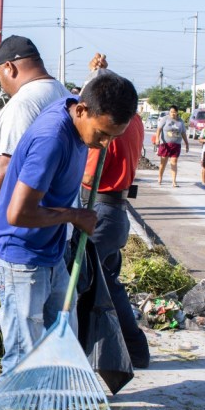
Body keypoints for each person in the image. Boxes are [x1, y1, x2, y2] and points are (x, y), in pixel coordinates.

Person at [0, 72, 138, 375]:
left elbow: (98, 93)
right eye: (102, 134)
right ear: (81, 112)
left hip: (51, 248)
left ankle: (51, 401)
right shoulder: (51, 140)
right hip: (21, 253)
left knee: (62, 331)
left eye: (113, 137)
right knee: (24, 348)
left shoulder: (76, 111)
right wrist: (74, 215)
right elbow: (16, 214)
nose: (105, 144)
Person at [0, 35, 70, 249]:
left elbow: (7, 165)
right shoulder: (64, 95)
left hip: (20, 233)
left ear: (9, 67)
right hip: (50, 225)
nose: (1, 84)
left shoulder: (25, 103)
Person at [80, 104, 151, 369]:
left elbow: (88, 175)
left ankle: (114, 351)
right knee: (109, 285)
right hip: (115, 211)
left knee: (87, 286)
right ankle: (132, 350)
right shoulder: (134, 120)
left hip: (99, 210)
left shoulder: (108, 123)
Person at [154, 105, 189, 187]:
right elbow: (159, 129)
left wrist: (186, 143)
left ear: (177, 112)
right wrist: (157, 139)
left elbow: (183, 133)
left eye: (174, 112)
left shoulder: (180, 121)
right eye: (171, 112)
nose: (173, 114)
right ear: (169, 112)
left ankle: (174, 181)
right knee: (163, 163)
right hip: (165, 144)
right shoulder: (165, 119)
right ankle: (160, 177)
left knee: (174, 162)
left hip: (176, 144)